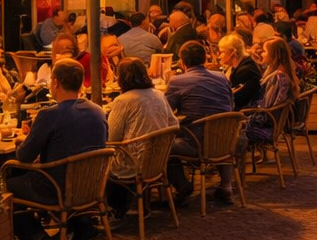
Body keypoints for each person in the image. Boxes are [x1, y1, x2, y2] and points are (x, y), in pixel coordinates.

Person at [6, 58, 108, 240]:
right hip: (91, 187)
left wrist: (23, 140)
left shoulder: (49, 115)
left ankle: (35, 237)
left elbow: (24, 156)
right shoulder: (98, 111)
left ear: (56, 82)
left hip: (55, 189)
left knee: (7, 182)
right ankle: (81, 227)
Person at [165, 40, 238, 203]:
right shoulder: (222, 78)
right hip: (226, 139)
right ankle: (226, 186)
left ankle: (182, 185)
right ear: (204, 59)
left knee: (162, 146)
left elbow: (165, 112)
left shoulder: (178, 81)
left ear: (182, 61)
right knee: (216, 135)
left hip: (196, 143)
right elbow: (231, 105)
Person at [105, 57, 177, 218]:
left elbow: (112, 137)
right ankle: (133, 204)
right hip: (157, 162)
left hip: (133, 164)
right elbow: (174, 123)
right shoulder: (158, 95)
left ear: (122, 78)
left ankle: (114, 209)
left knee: (98, 164)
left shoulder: (123, 101)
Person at [218, 33, 262, 112]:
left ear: (233, 52)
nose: (219, 56)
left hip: (244, 114)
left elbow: (235, 99)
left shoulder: (245, 71)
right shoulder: (242, 65)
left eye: (222, 52)